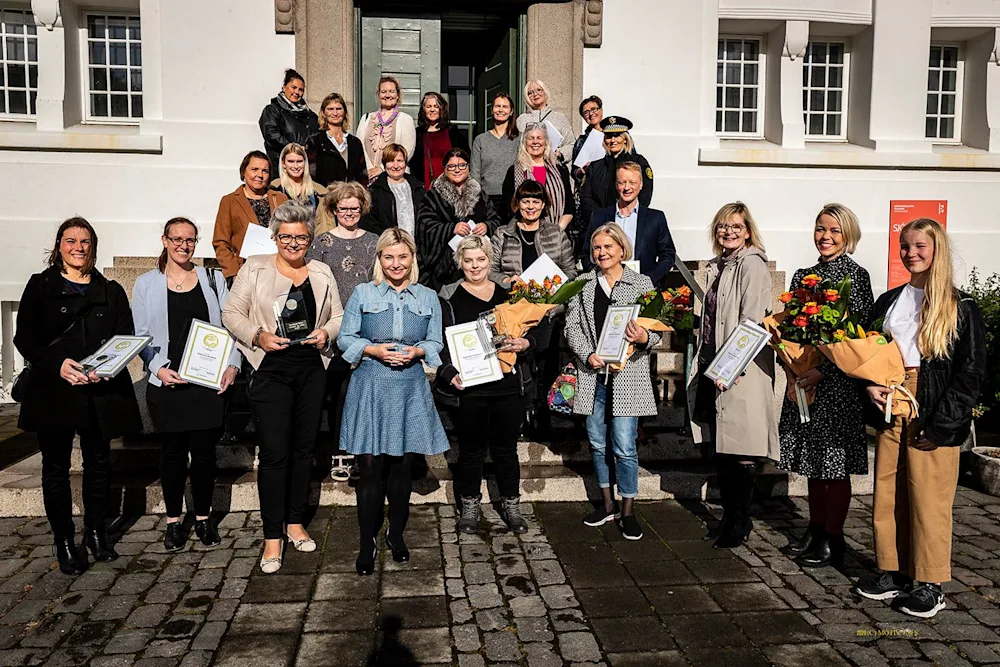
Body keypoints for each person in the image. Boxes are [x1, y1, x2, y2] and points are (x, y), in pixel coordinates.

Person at [853, 218, 986, 619]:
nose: (910, 253)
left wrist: (943, 424)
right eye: (905, 246)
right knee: (888, 492)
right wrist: (870, 385)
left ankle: (930, 583)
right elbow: (870, 351)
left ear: (936, 249)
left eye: (919, 246)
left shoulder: (960, 306)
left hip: (933, 404)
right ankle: (893, 570)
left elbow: (970, 372)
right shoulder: (889, 300)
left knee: (929, 498)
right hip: (892, 402)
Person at [222, 200, 344, 574]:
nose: (293, 243)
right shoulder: (254, 268)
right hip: (270, 370)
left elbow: (338, 315)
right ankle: (272, 535)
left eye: (301, 237)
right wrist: (257, 335)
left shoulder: (321, 271)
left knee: (304, 451)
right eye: (286, 237)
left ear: (310, 240)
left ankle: (294, 521)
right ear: (275, 237)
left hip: (311, 370)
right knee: (275, 454)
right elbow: (231, 313)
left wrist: (327, 333)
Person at [14, 217, 141, 574]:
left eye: (85, 241)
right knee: (55, 467)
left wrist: (107, 366)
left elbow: (124, 336)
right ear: (59, 246)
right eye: (71, 241)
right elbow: (25, 338)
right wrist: (57, 364)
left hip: (99, 390)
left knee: (98, 463)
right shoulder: (40, 286)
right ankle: (65, 540)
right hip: (53, 390)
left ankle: (96, 532)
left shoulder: (110, 290)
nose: (78, 248)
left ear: (93, 246)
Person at [337, 228, 449, 575]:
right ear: (380, 259)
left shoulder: (428, 296)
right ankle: (365, 541)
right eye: (389, 257)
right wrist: (372, 349)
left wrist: (418, 352)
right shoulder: (363, 292)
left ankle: (396, 534)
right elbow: (345, 338)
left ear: (412, 258)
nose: (396, 263)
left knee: (401, 467)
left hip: (409, 386)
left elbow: (436, 343)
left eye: (402, 256)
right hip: (371, 384)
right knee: (370, 469)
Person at [132, 218, 241, 551]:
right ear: (165, 240)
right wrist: (157, 368)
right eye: (177, 239)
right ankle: (173, 521)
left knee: (205, 455)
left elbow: (231, 326)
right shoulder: (145, 284)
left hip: (206, 383)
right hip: (167, 383)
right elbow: (139, 336)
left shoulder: (213, 279)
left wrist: (233, 365)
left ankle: (204, 518)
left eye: (190, 240)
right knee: (173, 456)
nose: (184, 245)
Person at [778, 204, 873, 568]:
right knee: (813, 462)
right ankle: (816, 529)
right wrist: (793, 371)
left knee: (835, 464)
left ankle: (834, 537)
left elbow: (857, 338)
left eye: (834, 230)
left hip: (837, 387)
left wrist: (825, 372)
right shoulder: (804, 276)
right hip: (806, 383)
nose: (825, 237)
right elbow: (790, 331)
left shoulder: (855, 276)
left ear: (848, 235)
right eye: (820, 229)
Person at [439, 236, 546, 535]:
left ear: (490, 260)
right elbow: (440, 341)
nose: (475, 266)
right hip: (470, 389)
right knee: (471, 450)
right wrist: (449, 372)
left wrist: (526, 343)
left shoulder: (509, 294)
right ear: (460, 262)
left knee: (506, 449)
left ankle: (511, 505)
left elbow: (537, 329)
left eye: (481, 259)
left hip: (507, 386)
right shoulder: (448, 297)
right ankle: (469, 506)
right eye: (468, 260)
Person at [688, 202, 778, 549]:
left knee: (741, 450)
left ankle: (739, 522)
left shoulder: (752, 265)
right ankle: (729, 518)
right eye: (723, 226)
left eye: (736, 226)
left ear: (748, 231)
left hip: (740, 370)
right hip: (715, 365)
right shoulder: (719, 265)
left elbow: (751, 322)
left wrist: (732, 365)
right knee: (723, 449)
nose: (728, 232)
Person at [565, 223, 660, 540]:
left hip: (627, 376)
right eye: (596, 247)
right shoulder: (582, 284)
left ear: (622, 249)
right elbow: (572, 327)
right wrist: (586, 354)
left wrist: (644, 337)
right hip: (593, 375)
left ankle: (628, 510)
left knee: (624, 445)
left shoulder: (641, 283)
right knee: (596, 442)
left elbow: (657, 328)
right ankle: (607, 505)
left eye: (607, 246)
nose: (601, 252)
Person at [307, 182, 379, 482]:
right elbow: (312, 284)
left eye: (354, 208)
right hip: (333, 329)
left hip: (368, 329)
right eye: (343, 208)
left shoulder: (374, 241)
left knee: (363, 394)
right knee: (338, 392)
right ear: (334, 210)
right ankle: (340, 450)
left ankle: (364, 452)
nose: (349, 213)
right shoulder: (321, 243)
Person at [416, 147, 501, 292]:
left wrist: (486, 226)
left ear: (468, 167)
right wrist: (451, 229)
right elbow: (424, 225)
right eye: (451, 166)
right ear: (445, 169)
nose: (457, 170)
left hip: (476, 264)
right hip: (444, 268)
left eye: (462, 165)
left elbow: (496, 219)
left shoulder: (480, 194)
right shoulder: (433, 196)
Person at [582, 162, 675, 285]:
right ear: (616, 185)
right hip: (606, 286)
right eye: (622, 182)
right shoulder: (599, 217)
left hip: (644, 288)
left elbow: (668, 256)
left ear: (641, 185)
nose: (627, 188)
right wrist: (601, 278)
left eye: (632, 182)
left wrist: (647, 280)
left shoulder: (655, 218)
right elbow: (586, 255)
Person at [577, 116, 654, 253]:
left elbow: (645, 195)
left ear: (625, 139)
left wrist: (625, 219)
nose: (612, 140)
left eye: (617, 136)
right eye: (608, 136)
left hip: (629, 229)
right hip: (601, 231)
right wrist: (604, 222)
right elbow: (586, 199)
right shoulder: (595, 167)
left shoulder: (639, 163)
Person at [211, 150, 289, 282]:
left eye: (265, 171)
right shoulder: (229, 201)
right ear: (244, 172)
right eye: (254, 169)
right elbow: (220, 242)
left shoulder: (280, 199)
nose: (260, 175)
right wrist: (234, 273)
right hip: (246, 272)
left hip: (278, 270)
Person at [490, 180, 577, 285]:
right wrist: (506, 280)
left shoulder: (557, 233)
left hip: (551, 293)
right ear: (518, 203)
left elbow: (570, 271)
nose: (530, 207)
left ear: (543, 204)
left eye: (536, 202)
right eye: (525, 202)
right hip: (513, 293)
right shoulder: (502, 234)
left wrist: (553, 283)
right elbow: (490, 270)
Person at [500, 124, 575, 231]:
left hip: (557, 231)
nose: (535, 142)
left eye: (539, 138)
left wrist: (557, 230)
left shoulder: (560, 170)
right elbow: (510, 206)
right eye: (531, 138)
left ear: (546, 143)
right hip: (524, 231)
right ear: (524, 143)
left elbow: (569, 206)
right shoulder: (514, 171)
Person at [259, 68, 319, 178]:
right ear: (284, 87)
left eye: (301, 89)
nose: (297, 92)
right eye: (293, 87)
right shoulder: (272, 110)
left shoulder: (310, 115)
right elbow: (272, 136)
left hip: (305, 170)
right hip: (280, 169)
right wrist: (295, 149)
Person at [356, 76, 417, 184]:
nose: (387, 95)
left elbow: (407, 151)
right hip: (367, 178)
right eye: (383, 92)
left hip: (394, 178)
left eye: (391, 91)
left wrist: (381, 168)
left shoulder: (405, 119)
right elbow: (359, 147)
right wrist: (369, 170)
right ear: (378, 95)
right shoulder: (366, 118)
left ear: (397, 95)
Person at [410, 92, 471, 192]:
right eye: (429, 106)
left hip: (451, 187)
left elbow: (466, 158)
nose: (432, 110)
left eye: (436, 106)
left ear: (441, 109)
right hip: (425, 188)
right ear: (423, 110)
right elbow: (413, 164)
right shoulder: (417, 134)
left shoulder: (452, 132)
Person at [470, 92, 520, 211]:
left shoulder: (520, 139)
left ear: (511, 111)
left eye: (505, 107)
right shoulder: (481, 140)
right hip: (487, 198)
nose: (500, 110)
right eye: (497, 106)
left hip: (513, 198)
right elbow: (475, 173)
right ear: (492, 110)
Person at [363, 144, 425, 237]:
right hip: (389, 243)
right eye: (391, 161)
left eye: (399, 161)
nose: (395, 166)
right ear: (384, 163)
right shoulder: (375, 191)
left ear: (405, 163)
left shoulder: (418, 189)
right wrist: (388, 238)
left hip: (416, 244)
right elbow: (369, 223)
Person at [307, 92, 367, 187]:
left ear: (344, 112)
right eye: (330, 109)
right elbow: (311, 175)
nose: (335, 113)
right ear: (323, 113)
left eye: (339, 109)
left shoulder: (355, 142)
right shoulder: (315, 141)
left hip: (350, 194)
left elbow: (362, 175)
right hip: (324, 193)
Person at [515, 79, 574, 163]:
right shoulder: (522, 119)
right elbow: (516, 146)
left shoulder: (559, 118)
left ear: (545, 92)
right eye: (530, 93)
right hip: (528, 166)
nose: (535, 94)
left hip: (553, 165)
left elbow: (571, 144)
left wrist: (559, 153)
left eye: (539, 90)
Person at [271, 143, 327, 211]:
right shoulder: (275, 187)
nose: (296, 166)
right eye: (291, 161)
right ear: (283, 163)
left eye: (299, 161)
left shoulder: (319, 190)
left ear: (305, 162)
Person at [572, 95, 604, 171]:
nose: (591, 114)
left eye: (594, 109)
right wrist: (579, 172)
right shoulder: (580, 142)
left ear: (601, 110)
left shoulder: (614, 135)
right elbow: (574, 170)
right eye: (586, 112)